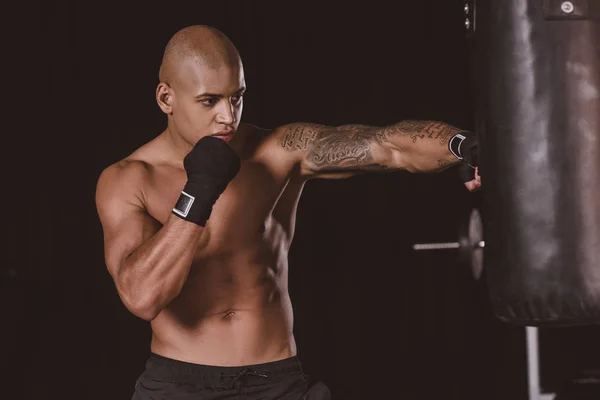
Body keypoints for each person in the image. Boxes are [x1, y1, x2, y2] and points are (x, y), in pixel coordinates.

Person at [95, 24, 480, 400]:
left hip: (277, 382)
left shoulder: (277, 152)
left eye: (237, 96)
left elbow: (387, 145)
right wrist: (199, 190)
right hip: (178, 385)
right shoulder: (129, 180)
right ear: (166, 98)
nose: (228, 117)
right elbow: (142, 297)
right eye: (209, 101)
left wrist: (462, 146)